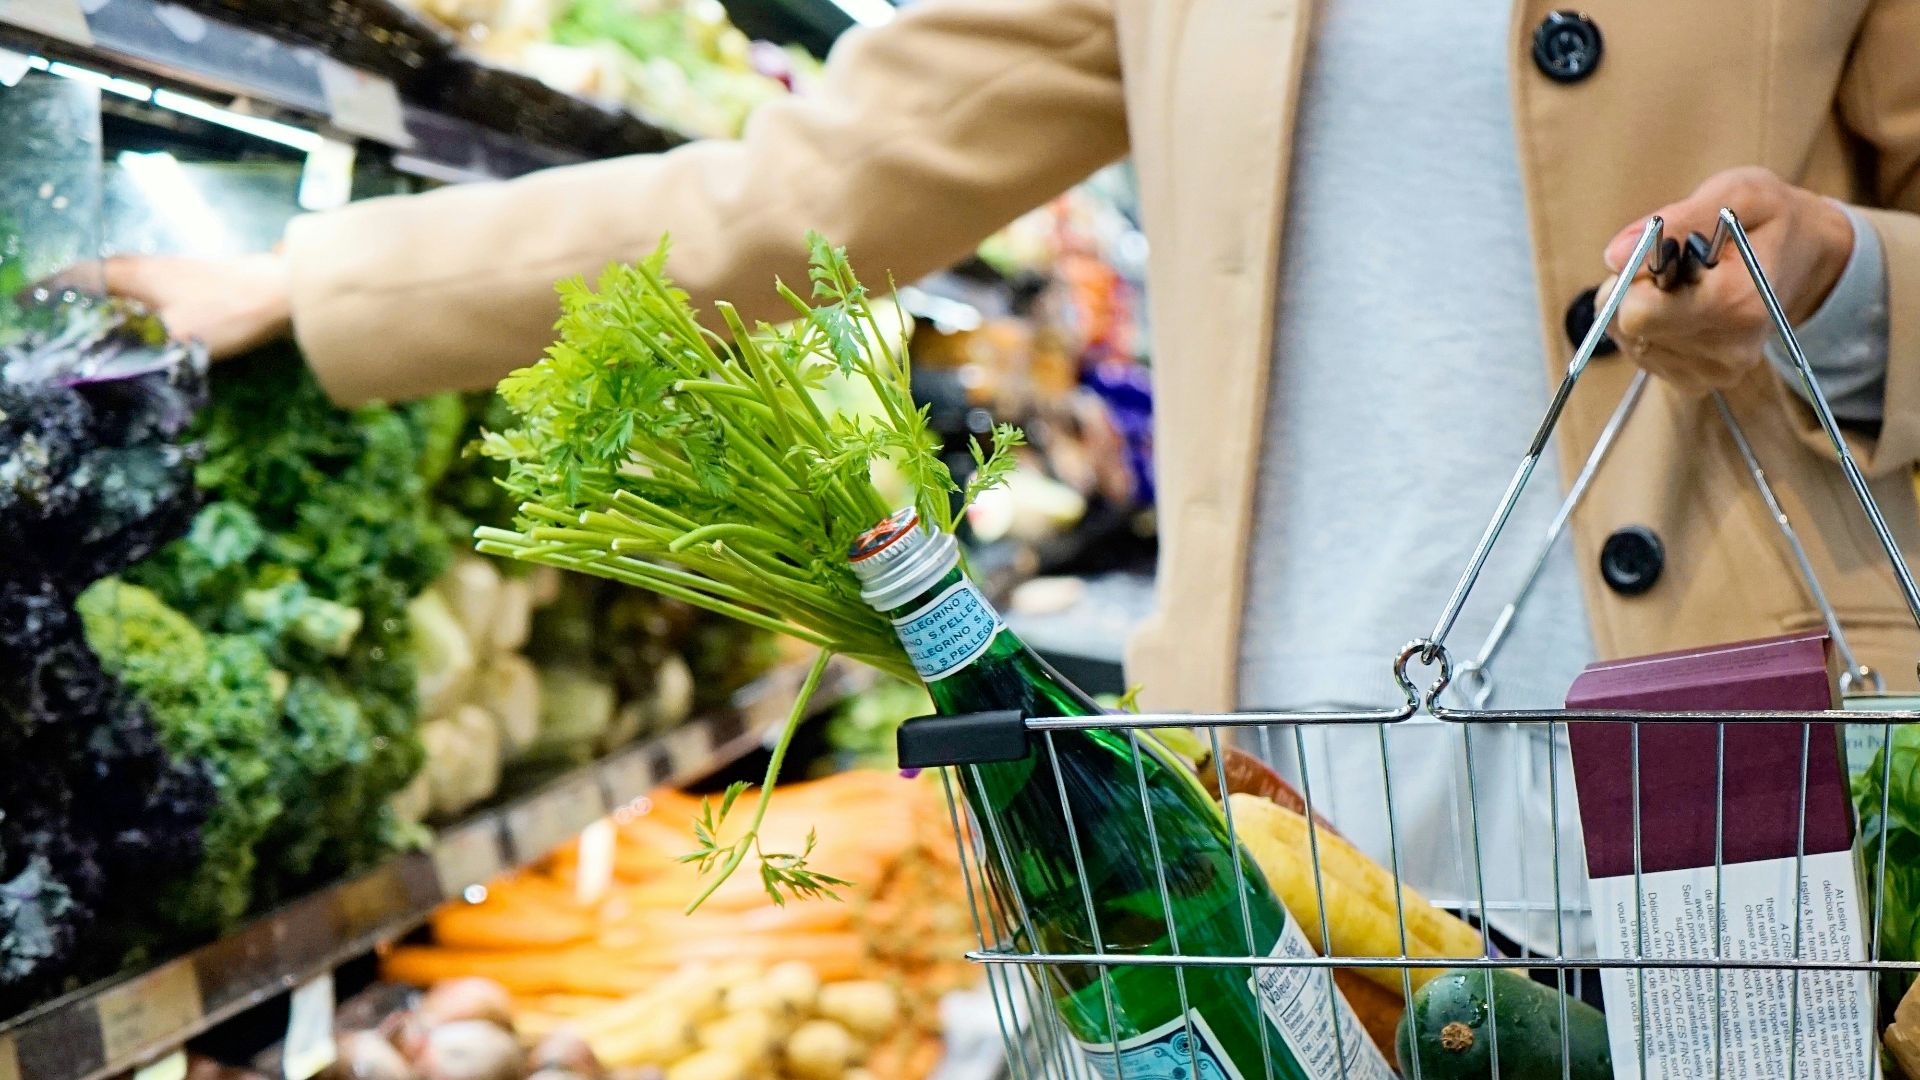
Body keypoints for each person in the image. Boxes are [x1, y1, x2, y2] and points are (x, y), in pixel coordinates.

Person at [97, 0, 1920, 959]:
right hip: (1288, 809)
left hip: (1754, 787)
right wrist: (329, 285)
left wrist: (1841, 290)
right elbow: (791, 195)